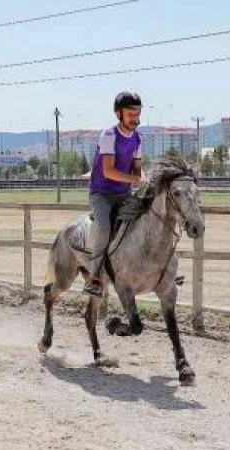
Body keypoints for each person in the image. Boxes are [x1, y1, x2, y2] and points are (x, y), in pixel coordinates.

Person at [83, 91, 145, 297]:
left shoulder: (138, 138)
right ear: (119, 114)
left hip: (124, 193)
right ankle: (94, 277)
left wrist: (143, 178)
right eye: (130, 113)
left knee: (147, 220)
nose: (134, 117)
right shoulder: (109, 135)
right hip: (101, 193)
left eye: (137, 113)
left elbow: (137, 168)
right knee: (103, 228)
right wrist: (135, 180)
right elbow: (108, 171)